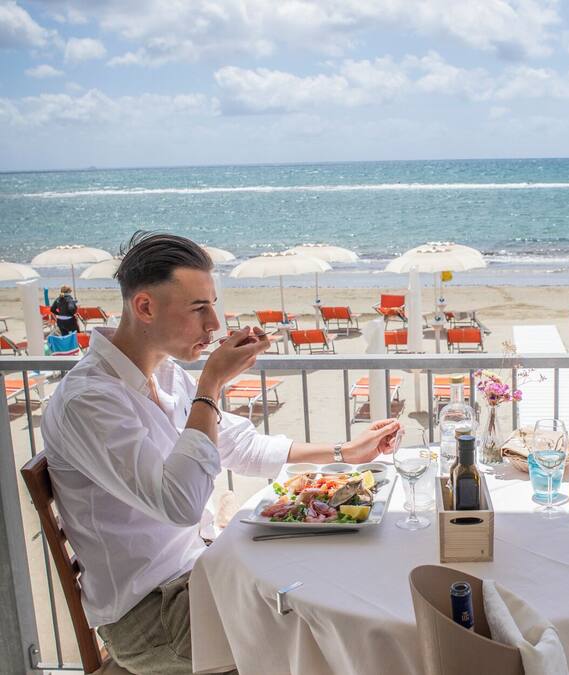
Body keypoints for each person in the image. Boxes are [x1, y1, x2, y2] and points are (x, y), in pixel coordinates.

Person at [41, 232, 400, 675]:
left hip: (202, 571)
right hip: (151, 615)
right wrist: (211, 385)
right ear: (145, 307)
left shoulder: (166, 373)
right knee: (325, 625)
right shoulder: (89, 400)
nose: (214, 324)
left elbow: (238, 444)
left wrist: (345, 451)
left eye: (213, 305)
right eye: (199, 309)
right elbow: (180, 503)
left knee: (341, 563)